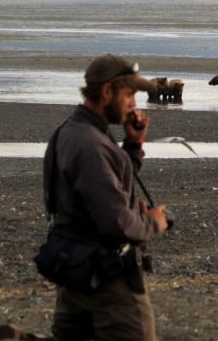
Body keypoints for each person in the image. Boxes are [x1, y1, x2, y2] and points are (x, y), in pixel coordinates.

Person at [42, 54, 169, 341]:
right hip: (109, 280)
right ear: (107, 92)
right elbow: (118, 221)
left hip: (73, 271)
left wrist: (134, 145)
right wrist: (153, 223)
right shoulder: (93, 146)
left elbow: (105, 182)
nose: (134, 103)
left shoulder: (69, 132)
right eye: (129, 94)